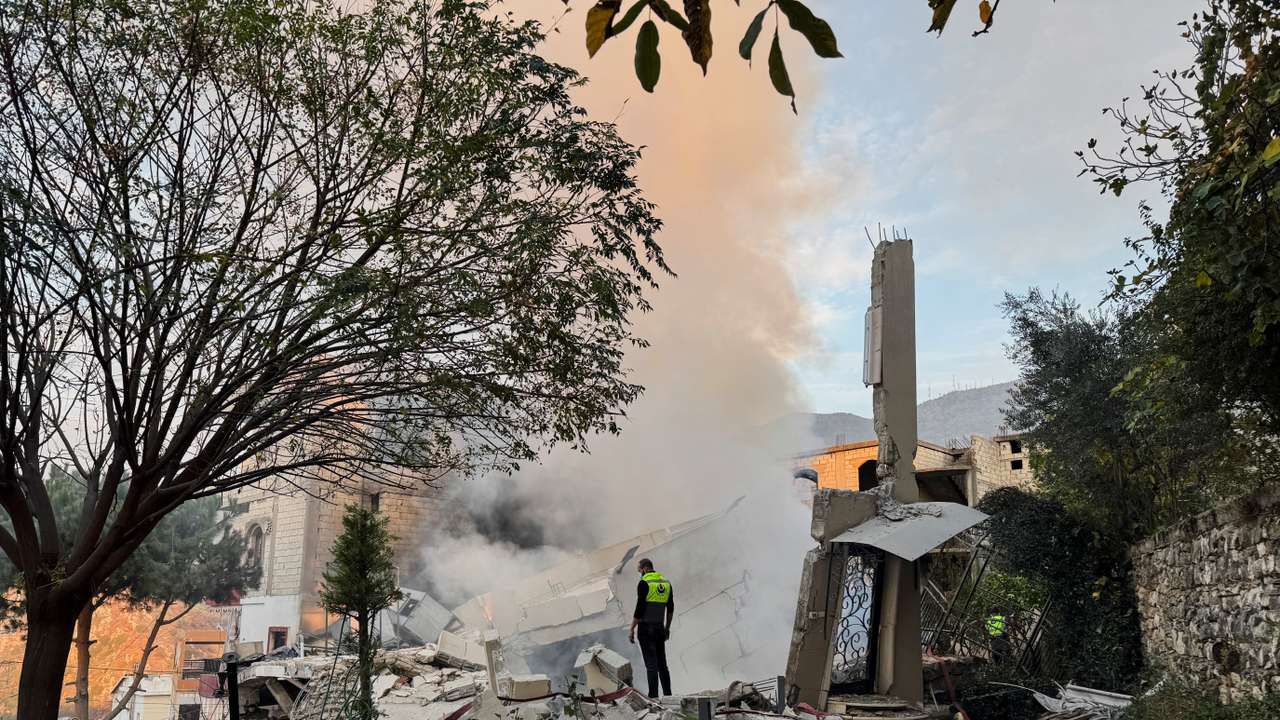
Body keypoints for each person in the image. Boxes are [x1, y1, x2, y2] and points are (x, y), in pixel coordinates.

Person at [629, 558, 673, 698]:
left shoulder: (644, 583)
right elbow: (670, 608)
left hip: (646, 629)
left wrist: (631, 628)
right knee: (662, 665)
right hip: (660, 627)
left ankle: (653, 697)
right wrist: (667, 628)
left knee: (651, 665)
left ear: (645, 568)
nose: (640, 573)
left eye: (640, 571)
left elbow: (640, 609)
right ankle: (668, 696)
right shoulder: (666, 583)